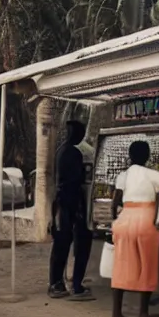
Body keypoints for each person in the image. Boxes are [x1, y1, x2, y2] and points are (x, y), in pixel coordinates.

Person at [109, 140, 159, 317]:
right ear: (148, 156)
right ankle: (143, 314)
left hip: (124, 219)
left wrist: (116, 219)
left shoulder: (124, 175)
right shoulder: (154, 175)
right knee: (147, 263)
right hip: (145, 220)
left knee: (121, 265)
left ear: (130, 155)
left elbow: (114, 203)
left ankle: (116, 315)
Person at [48, 120, 94, 301]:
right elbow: (77, 181)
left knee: (61, 244)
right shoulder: (73, 153)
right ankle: (73, 284)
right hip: (70, 203)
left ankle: (57, 282)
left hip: (62, 203)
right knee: (78, 244)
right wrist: (80, 208)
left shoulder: (61, 150)